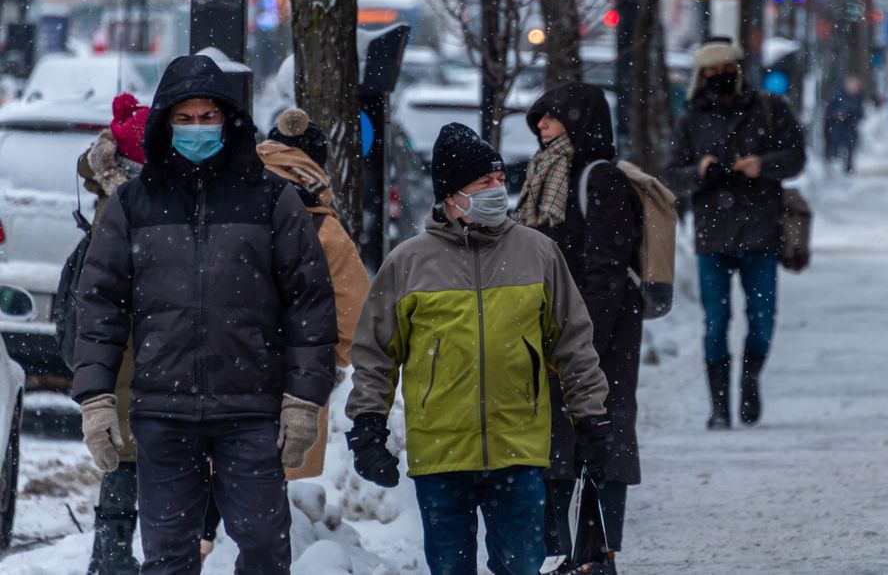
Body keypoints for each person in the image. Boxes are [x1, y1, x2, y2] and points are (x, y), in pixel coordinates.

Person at [71, 54, 338, 575]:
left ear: (228, 121)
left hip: (250, 410)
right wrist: (96, 398)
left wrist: (304, 399)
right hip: (163, 410)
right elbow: (101, 303)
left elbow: (309, 303)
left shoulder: (272, 200)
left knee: (263, 548)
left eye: (207, 117)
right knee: (168, 557)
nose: (197, 129)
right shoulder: (133, 204)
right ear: (166, 123)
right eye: (184, 118)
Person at [345, 122, 612, 575]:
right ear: (451, 196)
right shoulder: (408, 264)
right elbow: (376, 354)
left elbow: (573, 343)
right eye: (482, 182)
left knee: (521, 568)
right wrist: (368, 427)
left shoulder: (538, 253)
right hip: (441, 456)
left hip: (518, 451)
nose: (496, 189)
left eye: (498, 180)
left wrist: (591, 418)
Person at [199, 107, 370, 563]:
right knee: (265, 509)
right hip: (291, 387)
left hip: (217, 374)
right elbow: (359, 322)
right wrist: (325, 362)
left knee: (209, 489)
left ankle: (203, 543)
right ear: (316, 164)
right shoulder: (323, 227)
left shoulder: (223, 203)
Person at [515, 83, 643, 572]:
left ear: (580, 121)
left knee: (601, 432)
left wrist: (583, 342)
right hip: (554, 327)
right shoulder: (547, 175)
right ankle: (559, 551)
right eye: (539, 119)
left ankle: (597, 552)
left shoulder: (600, 179)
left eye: (550, 117)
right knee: (555, 439)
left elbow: (606, 270)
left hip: (600, 333)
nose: (541, 127)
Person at [667, 38, 806, 430]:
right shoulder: (690, 118)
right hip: (713, 235)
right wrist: (700, 171)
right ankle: (719, 405)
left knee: (762, 320)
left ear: (739, 70)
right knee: (715, 322)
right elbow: (671, 173)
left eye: (724, 70)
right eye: (709, 73)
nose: (718, 79)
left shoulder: (769, 108)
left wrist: (762, 165)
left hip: (762, 233)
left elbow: (796, 156)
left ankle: (749, 380)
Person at [77, 92, 149, 575]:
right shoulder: (126, 204)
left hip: (125, 361)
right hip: (128, 361)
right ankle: (113, 560)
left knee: (125, 463)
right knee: (126, 462)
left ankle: (110, 558)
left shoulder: (111, 195)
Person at [824, 76, 865, 173]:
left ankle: (848, 165)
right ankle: (833, 163)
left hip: (850, 127)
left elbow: (860, 113)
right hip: (838, 126)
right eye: (851, 85)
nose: (853, 88)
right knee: (836, 143)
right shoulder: (838, 96)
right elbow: (830, 111)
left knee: (850, 145)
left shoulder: (857, 98)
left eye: (855, 86)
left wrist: (851, 116)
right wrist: (838, 114)